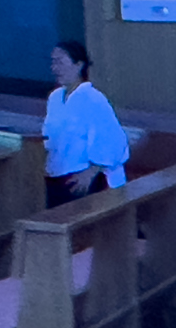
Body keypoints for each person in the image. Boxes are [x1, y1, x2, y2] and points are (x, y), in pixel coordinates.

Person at [43, 40, 129, 207]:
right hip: (56, 175)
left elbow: (112, 140)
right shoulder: (55, 98)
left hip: (85, 179)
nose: (55, 68)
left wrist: (91, 172)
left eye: (60, 62)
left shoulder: (93, 98)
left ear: (79, 65)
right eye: (53, 62)